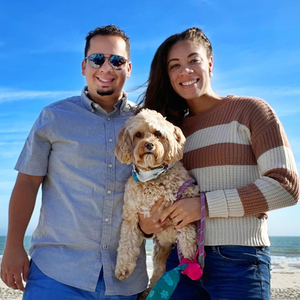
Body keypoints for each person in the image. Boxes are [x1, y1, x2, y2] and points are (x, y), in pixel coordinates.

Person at [138, 27, 299, 300]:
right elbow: (153, 193)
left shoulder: (251, 110)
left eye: (193, 60)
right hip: (180, 259)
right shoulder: (171, 133)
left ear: (210, 63)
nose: (185, 71)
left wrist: (204, 206)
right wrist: (145, 226)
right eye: (174, 65)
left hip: (240, 260)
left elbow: (286, 186)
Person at [0, 25, 149, 300]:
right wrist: (13, 245)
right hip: (56, 275)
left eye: (116, 60)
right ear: (84, 66)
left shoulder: (145, 124)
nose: (106, 68)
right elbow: (27, 182)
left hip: (125, 280)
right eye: (97, 59)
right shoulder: (54, 117)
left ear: (128, 68)